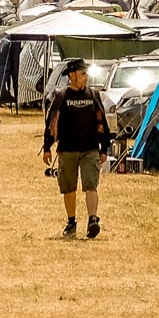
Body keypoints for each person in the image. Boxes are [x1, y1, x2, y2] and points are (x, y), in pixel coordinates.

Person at [42, 57, 111, 239]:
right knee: (68, 188)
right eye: (82, 74)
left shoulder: (93, 95)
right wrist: (47, 147)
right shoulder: (62, 95)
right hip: (67, 150)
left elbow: (102, 121)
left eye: (86, 73)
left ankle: (92, 221)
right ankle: (71, 222)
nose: (86, 77)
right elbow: (52, 122)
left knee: (91, 185)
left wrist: (104, 148)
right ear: (72, 76)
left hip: (90, 149)